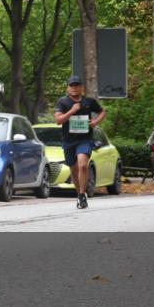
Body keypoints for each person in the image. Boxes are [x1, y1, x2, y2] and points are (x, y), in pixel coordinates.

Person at [53, 76, 107, 209]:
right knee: (74, 169)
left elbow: (103, 111)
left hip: (85, 139)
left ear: (81, 87)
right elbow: (58, 120)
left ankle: (83, 194)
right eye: (72, 85)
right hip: (69, 140)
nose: (74, 88)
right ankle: (79, 194)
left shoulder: (89, 101)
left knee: (83, 165)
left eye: (77, 85)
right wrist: (72, 111)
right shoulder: (62, 102)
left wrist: (96, 121)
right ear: (68, 88)